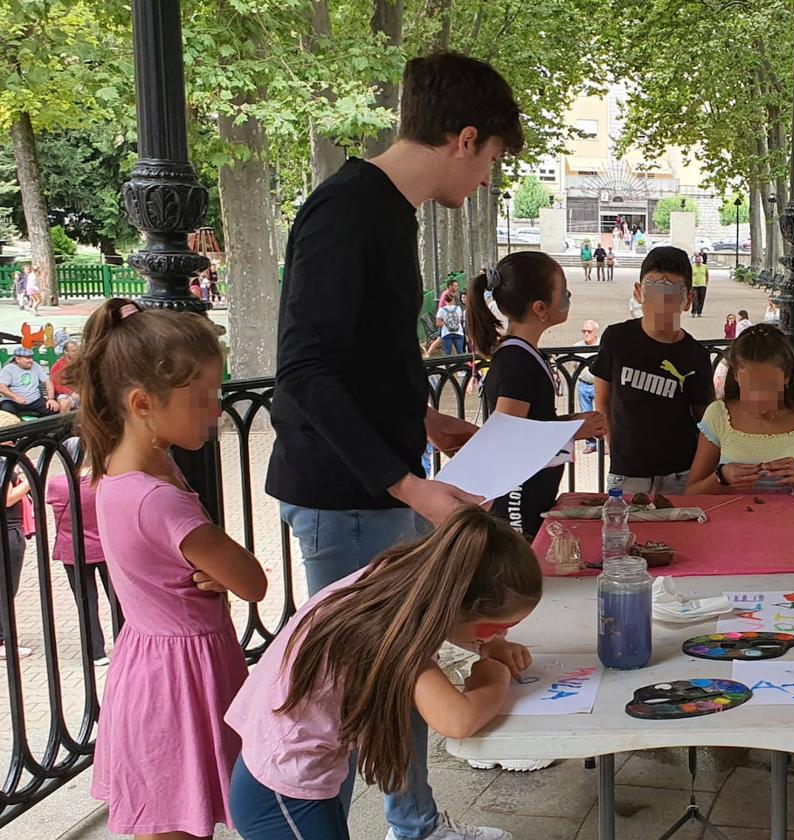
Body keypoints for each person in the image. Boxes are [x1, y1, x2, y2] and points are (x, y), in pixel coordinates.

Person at [266, 53, 523, 840]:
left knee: (396, 670)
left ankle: (415, 825)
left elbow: (365, 358)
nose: (485, 181)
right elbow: (303, 369)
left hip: (380, 487)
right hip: (349, 500)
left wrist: (426, 424)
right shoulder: (347, 212)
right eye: (491, 162)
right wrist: (409, 485)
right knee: (346, 701)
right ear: (465, 138)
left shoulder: (387, 211)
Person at [66, 299, 268, 838]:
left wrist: (205, 570)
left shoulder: (125, 465)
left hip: (158, 665)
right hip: (178, 683)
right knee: (176, 822)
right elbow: (253, 582)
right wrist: (222, 573)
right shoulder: (160, 498)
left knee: (174, 814)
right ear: (142, 403)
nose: (216, 410)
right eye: (202, 398)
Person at [227, 507, 542, 840]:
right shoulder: (391, 634)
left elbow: (448, 624)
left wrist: (484, 644)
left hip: (288, 773)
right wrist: (493, 679)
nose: (502, 634)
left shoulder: (406, 584)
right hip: (280, 793)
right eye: (497, 626)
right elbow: (457, 720)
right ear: (457, 604)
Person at [466, 253, 606, 538]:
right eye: (562, 290)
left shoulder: (521, 355)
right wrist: (573, 429)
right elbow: (506, 436)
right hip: (517, 506)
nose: (568, 295)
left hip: (529, 497)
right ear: (540, 308)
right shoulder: (518, 362)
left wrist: (569, 422)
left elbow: (529, 423)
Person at [592, 246, 714, 495]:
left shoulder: (696, 355)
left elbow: (705, 420)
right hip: (626, 472)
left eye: (671, 294)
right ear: (638, 292)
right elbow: (602, 400)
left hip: (680, 474)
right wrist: (614, 448)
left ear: (688, 300)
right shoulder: (616, 339)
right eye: (653, 290)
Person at [685, 325, 794, 511]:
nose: (758, 397)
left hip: (791, 530)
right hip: (731, 529)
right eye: (750, 387)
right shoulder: (719, 415)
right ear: (735, 375)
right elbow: (692, 494)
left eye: (769, 386)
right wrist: (721, 477)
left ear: (787, 377)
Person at [47, 440, 111, 665]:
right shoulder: (102, 481)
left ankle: (96, 652)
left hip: (72, 551)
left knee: (85, 601)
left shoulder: (57, 484)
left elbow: (50, 502)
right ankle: (125, 642)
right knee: (119, 599)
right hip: (104, 548)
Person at [0, 469, 32, 659]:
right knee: (6, 588)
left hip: (10, 529)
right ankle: (4, 640)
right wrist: (30, 479)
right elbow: (8, 498)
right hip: (8, 531)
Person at [0, 347, 65, 417]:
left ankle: (42, 427)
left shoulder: (35, 366)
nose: (31, 360)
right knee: (7, 411)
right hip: (13, 401)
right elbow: (2, 387)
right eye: (27, 358)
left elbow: (48, 382)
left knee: (53, 409)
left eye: (31, 357)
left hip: (35, 400)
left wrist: (51, 399)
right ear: (18, 359)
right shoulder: (8, 369)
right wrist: (15, 397)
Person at [576, 319, 602, 454]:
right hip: (583, 385)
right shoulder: (576, 347)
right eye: (584, 331)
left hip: (598, 385)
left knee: (602, 413)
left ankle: (605, 443)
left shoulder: (602, 346)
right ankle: (590, 443)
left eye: (589, 331)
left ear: (596, 332)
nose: (586, 334)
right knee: (586, 415)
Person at [50, 339, 81, 412]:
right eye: (74, 351)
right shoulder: (57, 366)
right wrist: (71, 393)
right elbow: (56, 384)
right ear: (66, 352)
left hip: (83, 392)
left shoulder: (82, 363)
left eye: (78, 350)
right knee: (64, 404)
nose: (77, 353)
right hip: (66, 394)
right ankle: (65, 423)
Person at [690, 252, 708, 318]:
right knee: (695, 299)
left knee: (701, 299)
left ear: (701, 260)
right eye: (697, 260)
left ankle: (699, 312)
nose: (698, 261)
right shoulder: (692, 267)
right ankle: (694, 311)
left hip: (702, 285)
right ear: (695, 260)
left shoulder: (704, 267)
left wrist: (706, 283)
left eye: (699, 260)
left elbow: (707, 275)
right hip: (694, 285)